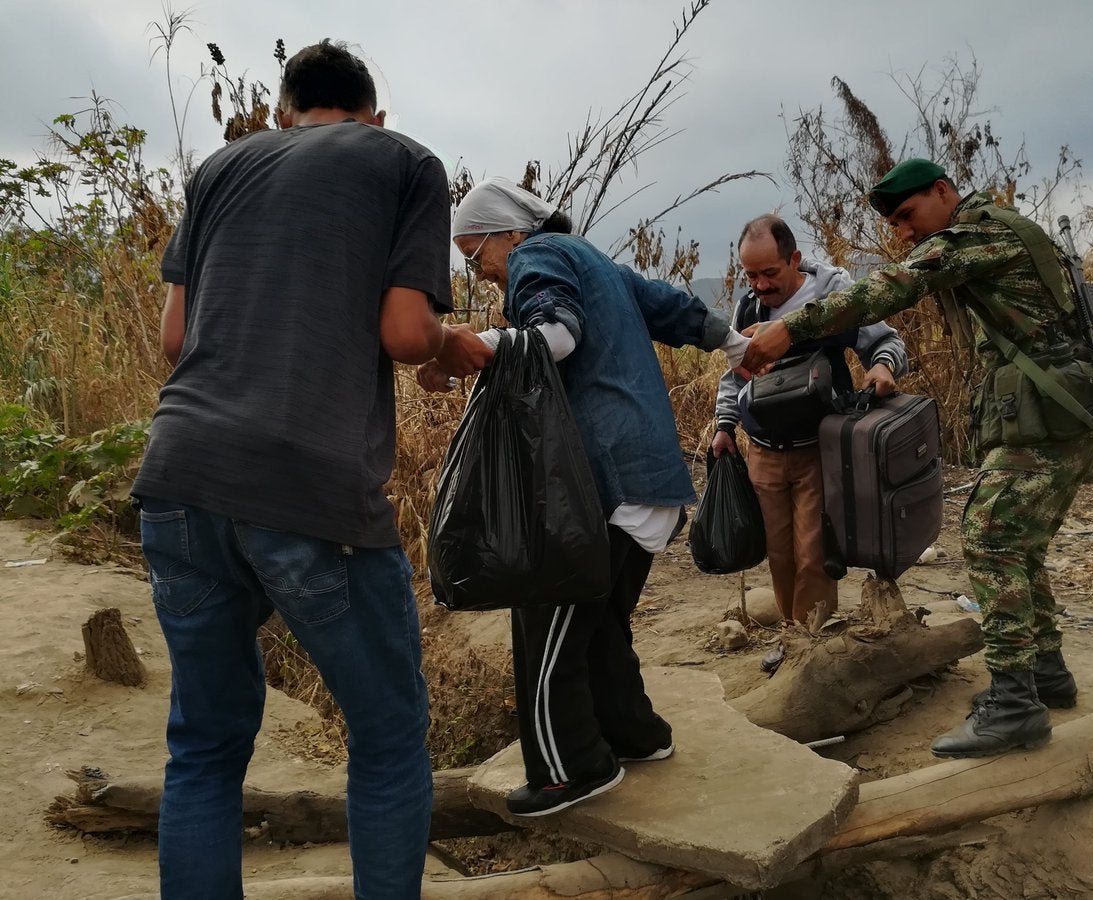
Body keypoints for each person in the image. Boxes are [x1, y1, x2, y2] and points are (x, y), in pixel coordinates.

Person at [133, 40, 450, 899]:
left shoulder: (222, 166)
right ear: (375, 116)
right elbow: (405, 336)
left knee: (202, 747)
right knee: (387, 739)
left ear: (281, 114)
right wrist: (457, 346)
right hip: (308, 486)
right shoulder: (404, 162)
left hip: (178, 475)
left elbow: (174, 341)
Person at [740, 159, 1093, 759]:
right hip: (1050, 414)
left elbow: (894, 287)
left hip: (1050, 418)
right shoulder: (999, 231)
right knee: (1021, 546)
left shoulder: (981, 235)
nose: (904, 232)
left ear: (943, 192)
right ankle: (1046, 675)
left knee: (991, 542)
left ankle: (1015, 705)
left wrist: (790, 329)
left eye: (908, 216)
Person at [419, 176, 747, 816]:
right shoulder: (596, 259)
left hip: (606, 473)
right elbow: (676, 309)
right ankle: (633, 733)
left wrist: (471, 348)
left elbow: (558, 334)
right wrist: (738, 345)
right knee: (598, 622)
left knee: (545, 617)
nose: (481, 273)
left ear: (507, 233)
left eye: (475, 255)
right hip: (651, 476)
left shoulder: (535, 255)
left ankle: (571, 769)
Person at [712, 215, 908, 669]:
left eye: (770, 274)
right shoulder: (748, 310)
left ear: (794, 260)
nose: (761, 285)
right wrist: (725, 425)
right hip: (764, 451)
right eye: (751, 276)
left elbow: (886, 340)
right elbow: (733, 376)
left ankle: (807, 638)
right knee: (779, 553)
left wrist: (882, 368)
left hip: (820, 450)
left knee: (813, 552)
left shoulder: (833, 297)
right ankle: (792, 632)